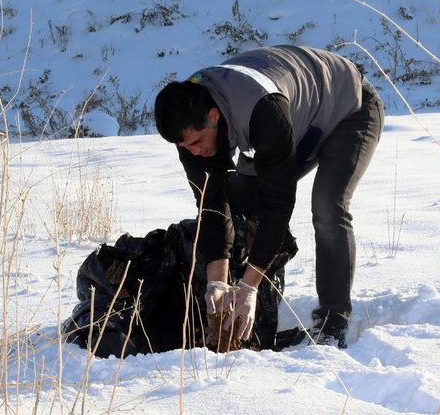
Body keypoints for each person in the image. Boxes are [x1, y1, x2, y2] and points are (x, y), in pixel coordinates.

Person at [153, 44, 384, 348]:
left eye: (197, 143)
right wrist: (217, 282)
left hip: (347, 108)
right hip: (298, 121)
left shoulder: (262, 110)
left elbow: (279, 202)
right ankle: (256, 307)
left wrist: (248, 286)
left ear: (213, 116)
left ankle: (333, 321)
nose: (194, 152)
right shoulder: (190, 124)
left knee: (328, 205)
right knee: (244, 198)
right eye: (185, 148)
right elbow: (211, 206)